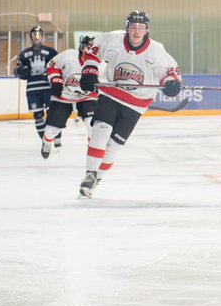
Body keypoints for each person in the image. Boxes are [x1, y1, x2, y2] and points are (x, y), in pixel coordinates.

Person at [77, 11, 181, 197]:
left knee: (114, 146)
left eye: (141, 27)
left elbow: (170, 71)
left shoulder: (156, 50)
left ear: (147, 30)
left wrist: (171, 83)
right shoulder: (113, 39)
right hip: (111, 94)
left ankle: (96, 179)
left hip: (136, 103)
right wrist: (89, 71)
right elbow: (92, 51)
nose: (136, 31)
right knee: (101, 129)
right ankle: (89, 174)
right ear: (127, 28)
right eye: (133, 27)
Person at [40, 35, 99, 158]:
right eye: (86, 48)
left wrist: (97, 87)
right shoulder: (68, 55)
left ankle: (93, 150)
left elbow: (106, 80)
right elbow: (52, 66)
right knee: (52, 130)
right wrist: (56, 81)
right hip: (64, 96)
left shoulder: (100, 62)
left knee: (92, 125)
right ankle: (46, 141)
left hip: (87, 97)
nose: (88, 52)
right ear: (82, 47)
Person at [14, 25, 59, 149]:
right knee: (38, 116)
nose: (36, 38)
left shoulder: (51, 52)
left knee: (53, 114)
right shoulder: (24, 54)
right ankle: (45, 141)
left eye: (39, 35)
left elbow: (59, 67)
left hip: (48, 88)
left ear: (43, 37)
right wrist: (22, 71)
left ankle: (57, 136)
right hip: (32, 90)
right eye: (34, 35)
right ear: (30, 38)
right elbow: (16, 71)